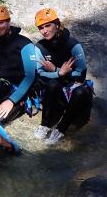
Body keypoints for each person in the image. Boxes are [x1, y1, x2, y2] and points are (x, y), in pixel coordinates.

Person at [33, 8, 92, 145]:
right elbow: (40, 72)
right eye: (41, 28)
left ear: (57, 25)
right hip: (55, 87)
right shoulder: (40, 47)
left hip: (72, 86)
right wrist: (58, 73)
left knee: (81, 91)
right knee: (53, 83)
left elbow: (81, 74)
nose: (44, 31)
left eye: (48, 25)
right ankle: (45, 125)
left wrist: (59, 71)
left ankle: (60, 129)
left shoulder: (73, 45)